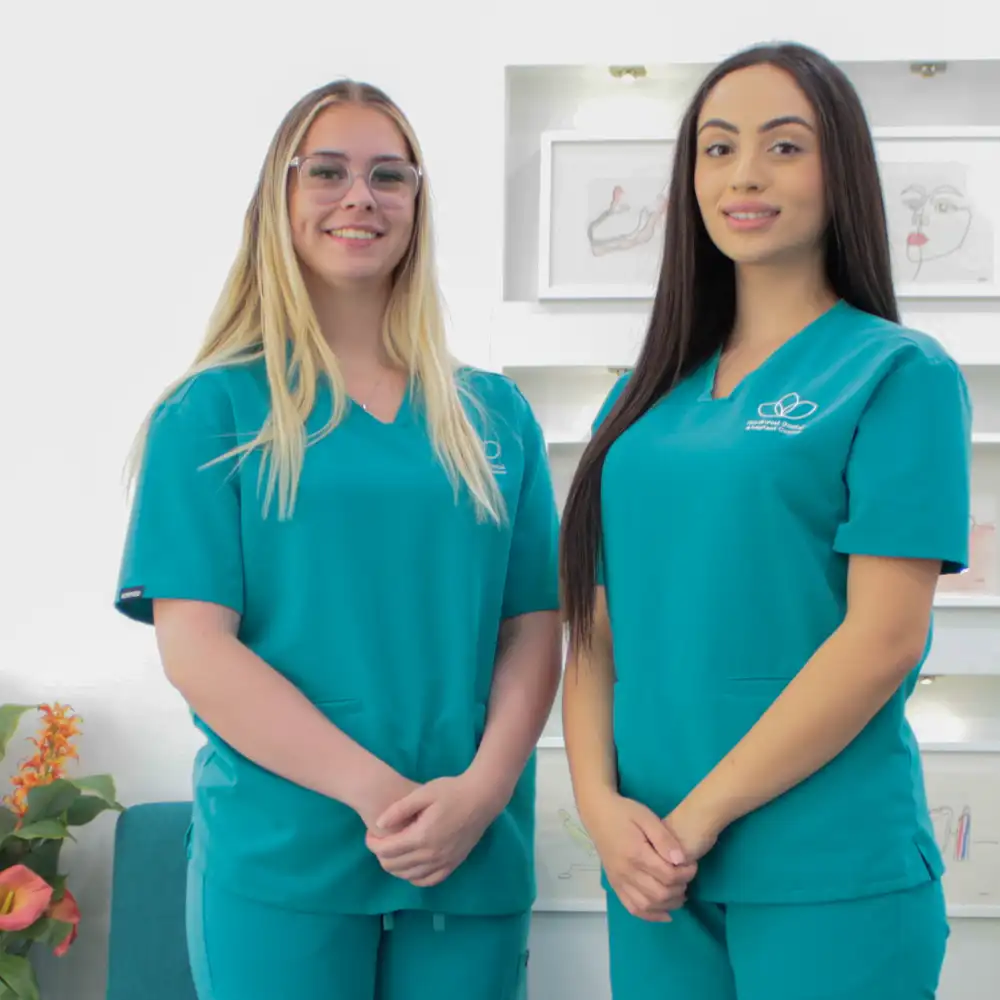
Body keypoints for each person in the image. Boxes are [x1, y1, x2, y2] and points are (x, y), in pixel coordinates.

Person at [114, 79, 561, 1000]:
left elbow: (532, 628)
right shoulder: (213, 412)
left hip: (467, 849)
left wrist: (479, 792)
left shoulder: (496, 414)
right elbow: (197, 648)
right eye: (327, 171)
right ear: (279, 200)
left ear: (418, 206)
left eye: (389, 176)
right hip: (287, 853)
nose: (360, 196)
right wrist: (379, 796)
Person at [558, 41, 971, 1000]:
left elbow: (882, 640)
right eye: (717, 148)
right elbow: (595, 630)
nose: (744, 174)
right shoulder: (639, 398)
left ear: (843, 171)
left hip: (826, 872)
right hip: (654, 874)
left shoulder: (898, 374)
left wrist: (696, 820)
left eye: (785, 147)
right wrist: (600, 808)